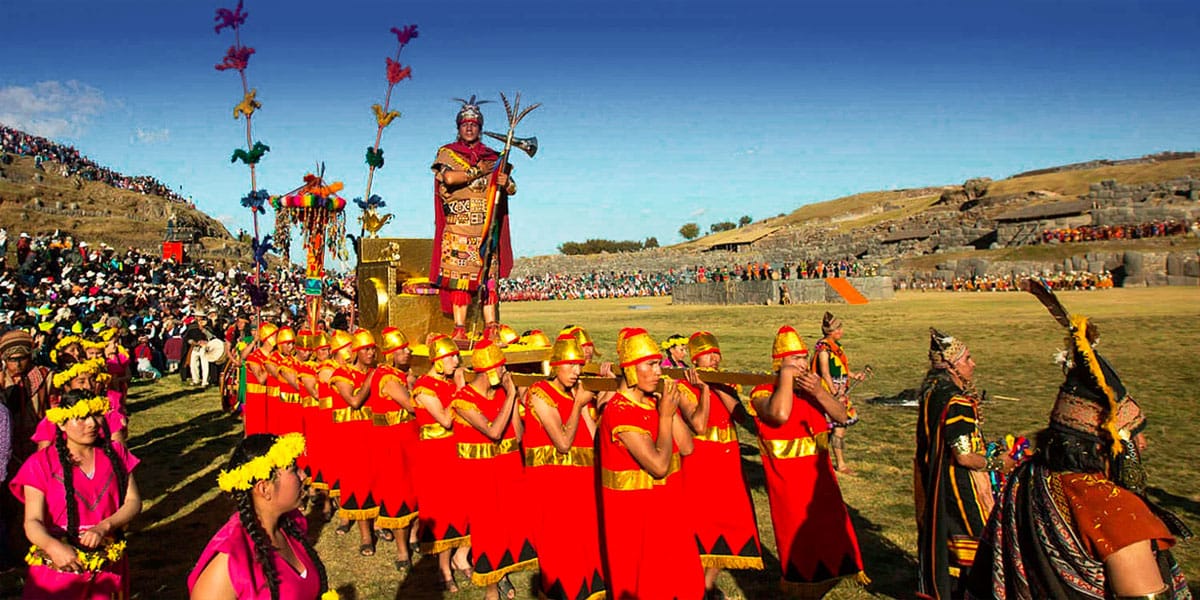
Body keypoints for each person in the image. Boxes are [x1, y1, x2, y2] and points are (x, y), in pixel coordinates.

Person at [965, 311, 1190, 599]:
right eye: (1132, 435)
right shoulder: (1117, 512)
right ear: (1101, 445)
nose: (1142, 444)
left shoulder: (1029, 476)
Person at [748, 326, 867, 597]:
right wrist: (787, 379)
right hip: (790, 488)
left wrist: (820, 393)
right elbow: (779, 414)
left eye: (804, 358)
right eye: (795, 360)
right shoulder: (762, 391)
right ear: (780, 363)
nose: (803, 364)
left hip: (822, 483)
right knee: (802, 556)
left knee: (832, 549)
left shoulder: (815, 388)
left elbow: (841, 416)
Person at [598, 328, 703, 600]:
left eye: (658, 363)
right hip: (638, 520)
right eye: (652, 365)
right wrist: (666, 417)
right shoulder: (618, 411)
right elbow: (658, 466)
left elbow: (688, 447)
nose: (659, 371)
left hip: (668, 510)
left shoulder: (653, 402)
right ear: (632, 370)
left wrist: (669, 409)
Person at [913, 328, 1015, 599]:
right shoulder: (956, 400)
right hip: (959, 486)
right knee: (979, 543)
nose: (973, 363)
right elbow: (965, 456)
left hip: (937, 479)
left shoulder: (932, 390)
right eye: (967, 358)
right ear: (952, 365)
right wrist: (997, 462)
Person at [10, 390, 142, 599]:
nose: (91, 423)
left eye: (95, 415)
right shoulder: (40, 464)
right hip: (59, 570)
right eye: (81, 417)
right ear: (61, 424)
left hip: (107, 563)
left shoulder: (116, 454)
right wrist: (52, 546)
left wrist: (104, 527)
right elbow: (32, 521)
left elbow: (133, 501)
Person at [188, 433, 339, 600]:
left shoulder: (291, 526)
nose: (303, 475)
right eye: (293, 469)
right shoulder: (229, 562)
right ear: (264, 489)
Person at [678, 332, 763, 598]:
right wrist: (704, 389)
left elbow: (743, 419)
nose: (714, 358)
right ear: (695, 358)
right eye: (707, 353)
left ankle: (707, 584)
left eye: (716, 352)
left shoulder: (726, 384)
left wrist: (722, 388)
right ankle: (694, 582)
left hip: (727, 461)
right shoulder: (682, 386)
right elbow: (698, 423)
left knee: (727, 521)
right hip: (699, 460)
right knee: (700, 522)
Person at [451, 340, 537, 599]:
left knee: (507, 526)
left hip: (506, 468)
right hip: (480, 475)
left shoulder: (500, 394)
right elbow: (493, 431)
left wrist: (512, 401)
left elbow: (517, 436)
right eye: (500, 369)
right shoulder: (463, 400)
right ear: (488, 371)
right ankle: (491, 589)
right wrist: (511, 396)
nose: (504, 374)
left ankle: (502, 574)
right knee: (488, 529)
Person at [522, 334, 605, 600]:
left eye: (579, 365)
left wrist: (584, 406)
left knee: (587, 543)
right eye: (570, 365)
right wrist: (579, 404)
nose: (576, 371)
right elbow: (563, 443)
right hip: (553, 486)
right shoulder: (539, 393)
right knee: (561, 546)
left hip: (581, 483)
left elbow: (594, 441)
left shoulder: (576, 394)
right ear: (555, 365)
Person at [430, 95, 517, 342]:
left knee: (488, 278)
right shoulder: (447, 153)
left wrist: (505, 182)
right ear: (459, 127)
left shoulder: (492, 156)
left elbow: (510, 187)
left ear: (480, 128)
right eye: (465, 123)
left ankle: (491, 326)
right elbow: (448, 179)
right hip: (459, 227)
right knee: (460, 281)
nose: (469, 127)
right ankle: (459, 328)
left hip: (486, 226)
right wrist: (478, 171)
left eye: (474, 124)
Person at [411, 334, 472, 591]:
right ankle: (444, 568)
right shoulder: (424, 387)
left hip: (456, 449)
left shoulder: (446, 383)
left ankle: (461, 555)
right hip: (436, 454)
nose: (456, 361)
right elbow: (446, 419)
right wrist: (460, 388)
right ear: (437, 361)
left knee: (465, 504)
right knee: (443, 509)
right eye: (451, 357)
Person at [366, 327, 420, 571]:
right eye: (403, 349)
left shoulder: (394, 374)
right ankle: (402, 550)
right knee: (399, 492)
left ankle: (412, 537)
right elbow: (411, 405)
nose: (408, 351)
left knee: (413, 487)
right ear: (390, 354)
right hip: (393, 442)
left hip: (406, 438)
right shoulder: (387, 378)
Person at [812, 312, 866, 474]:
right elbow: (826, 373)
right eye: (838, 329)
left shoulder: (836, 346)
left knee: (836, 428)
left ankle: (829, 460)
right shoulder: (823, 350)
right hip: (831, 392)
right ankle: (840, 464)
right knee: (838, 427)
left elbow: (841, 367)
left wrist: (854, 375)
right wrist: (834, 392)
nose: (841, 331)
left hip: (840, 389)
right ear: (830, 332)